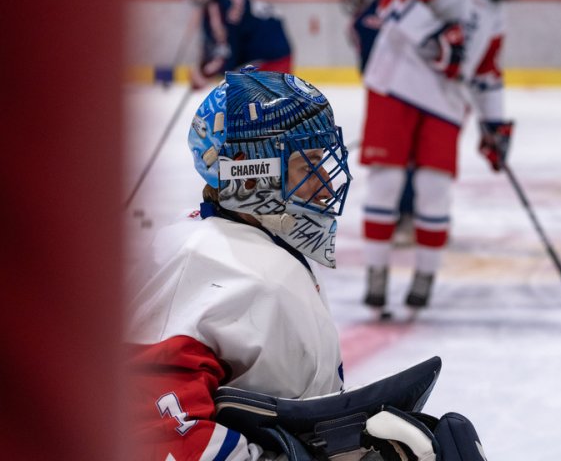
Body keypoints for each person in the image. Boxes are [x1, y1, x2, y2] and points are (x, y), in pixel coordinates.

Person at [124, 69, 486, 460]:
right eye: (308, 164)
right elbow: (154, 423)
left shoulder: (257, 247)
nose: (327, 186)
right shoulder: (199, 261)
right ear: (247, 171)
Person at [360, 0, 535, 312]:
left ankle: (424, 280)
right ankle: (376, 274)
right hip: (396, 81)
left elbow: (486, 71)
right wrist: (435, 38)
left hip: (445, 100)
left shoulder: (496, 14)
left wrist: (495, 123)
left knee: (434, 187)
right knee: (386, 181)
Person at [338, 0, 416, 245]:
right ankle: (419, 216)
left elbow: (370, 70)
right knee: (413, 157)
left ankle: (405, 217)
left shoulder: (362, 22)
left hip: (392, 98)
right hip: (419, 93)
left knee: (396, 159)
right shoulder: (400, 5)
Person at [177, 0, 291, 89]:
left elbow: (229, 54)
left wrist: (204, 72)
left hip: (268, 58)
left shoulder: (223, 6)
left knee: (247, 106)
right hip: (272, 51)